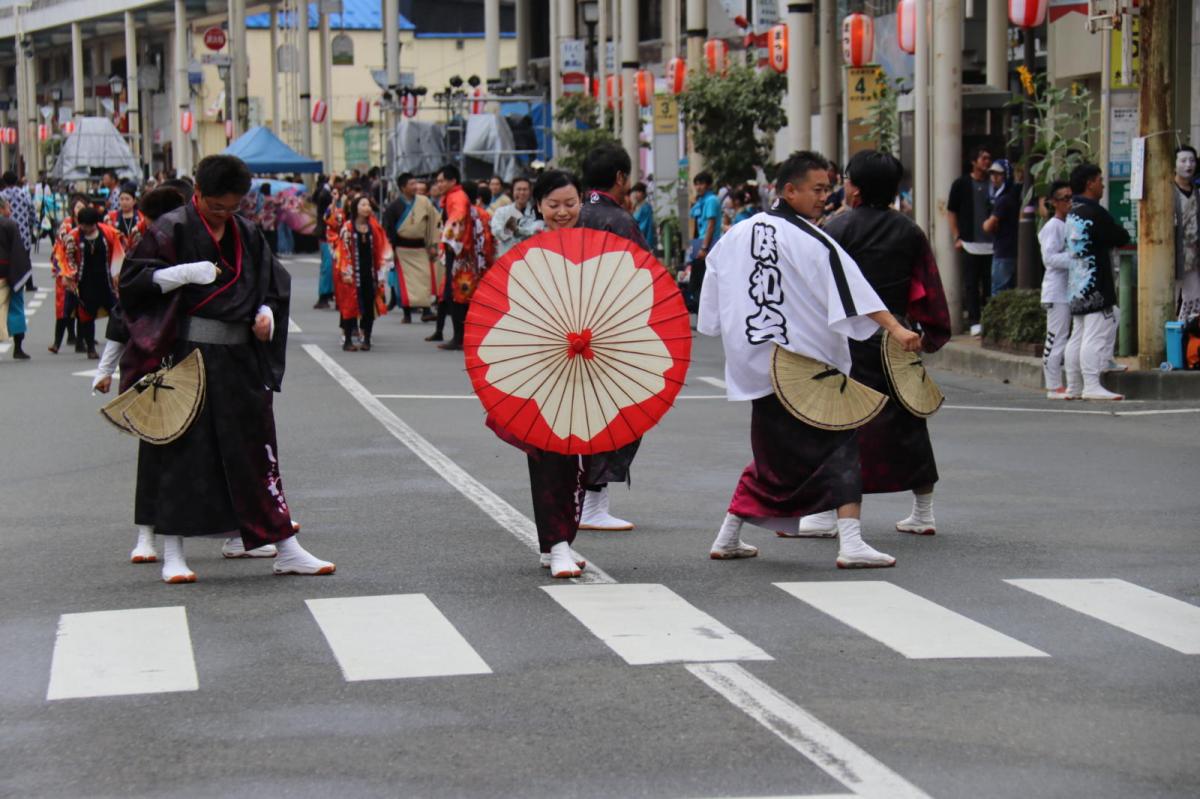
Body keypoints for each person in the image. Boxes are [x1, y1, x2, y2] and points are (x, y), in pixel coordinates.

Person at [698, 151, 921, 569]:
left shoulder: (736, 234)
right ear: (789, 190)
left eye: (827, 189)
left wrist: (723, 331)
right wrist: (896, 328)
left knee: (773, 457)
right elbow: (854, 293)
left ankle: (727, 535)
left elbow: (712, 293)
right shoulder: (813, 240)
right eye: (817, 189)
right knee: (841, 441)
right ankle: (851, 542)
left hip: (756, 365)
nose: (824, 197)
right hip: (804, 365)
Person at [119, 154, 334, 583]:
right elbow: (133, 284)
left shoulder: (247, 232)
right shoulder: (171, 229)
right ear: (198, 193)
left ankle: (285, 548)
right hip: (186, 355)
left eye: (232, 207)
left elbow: (272, 284)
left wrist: (266, 314)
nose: (223, 214)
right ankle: (173, 553)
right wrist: (179, 274)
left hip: (239, 357)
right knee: (181, 453)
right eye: (216, 206)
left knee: (257, 450)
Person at [794, 150, 951, 539]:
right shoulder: (910, 230)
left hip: (848, 339)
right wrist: (930, 334)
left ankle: (825, 514)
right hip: (898, 339)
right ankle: (924, 512)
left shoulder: (838, 228)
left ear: (856, 189)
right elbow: (928, 285)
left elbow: (816, 286)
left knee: (840, 425)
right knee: (909, 423)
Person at [484, 169, 592, 578]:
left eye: (570, 203)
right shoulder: (528, 252)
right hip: (542, 367)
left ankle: (557, 543)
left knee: (579, 454)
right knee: (548, 455)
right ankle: (557, 541)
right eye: (553, 205)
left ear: (581, 201)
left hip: (585, 366)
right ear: (539, 206)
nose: (563, 212)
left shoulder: (596, 247)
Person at [577, 143, 651, 531]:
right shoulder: (619, 221)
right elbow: (643, 277)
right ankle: (593, 502)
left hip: (565, 329)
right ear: (620, 177)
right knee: (614, 414)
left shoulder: (569, 213)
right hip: (607, 332)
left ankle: (573, 500)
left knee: (571, 414)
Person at [1063, 163, 1130, 401]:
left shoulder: (1072, 211)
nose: (1103, 185)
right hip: (1096, 283)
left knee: (1078, 334)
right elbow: (1120, 236)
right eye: (1100, 180)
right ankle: (1091, 384)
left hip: (1076, 284)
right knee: (1094, 334)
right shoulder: (1094, 212)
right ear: (1089, 183)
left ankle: (1073, 386)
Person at [432, 164, 492, 351]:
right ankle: (459, 336)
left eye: (442, 180)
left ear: (453, 181)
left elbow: (456, 219)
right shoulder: (455, 196)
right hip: (461, 252)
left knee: (457, 295)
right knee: (456, 295)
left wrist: (448, 241)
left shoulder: (456, 197)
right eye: (438, 181)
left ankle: (459, 337)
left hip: (460, 253)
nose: (439, 184)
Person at [63, 206, 124, 359]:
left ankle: (117, 344)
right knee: (86, 316)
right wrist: (69, 277)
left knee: (117, 312)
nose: (85, 228)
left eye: (88, 225)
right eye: (82, 225)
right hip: (85, 282)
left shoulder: (108, 233)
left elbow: (120, 249)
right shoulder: (73, 237)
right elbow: (67, 259)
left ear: (94, 223)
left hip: (106, 281)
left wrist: (118, 274)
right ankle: (90, 347)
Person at [382, 173, 441, 323]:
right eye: (411, 184)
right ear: (403, 188)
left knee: (424, 279)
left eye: (416, 183)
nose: (415, 187)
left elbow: (433, 222)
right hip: (402, 249)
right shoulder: (393, 207)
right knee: (405, 284)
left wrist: (432, 244)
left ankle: (426, 311)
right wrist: (391, 249)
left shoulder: (424, 202)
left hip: (421, 248)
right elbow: (388, 229)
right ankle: (407, 314)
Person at [947, 146, 994, 329]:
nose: (987, 162)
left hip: (991, 244)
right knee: (971, 283)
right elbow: (952, 211)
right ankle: (974, 321)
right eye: (983, 158)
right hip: (969, 243)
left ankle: (988, 319)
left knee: (990, 283)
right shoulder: (961, 184)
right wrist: (956, 236)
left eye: (988, 158)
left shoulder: (992, 184)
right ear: (974, 162)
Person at [334, 194, 389, 351]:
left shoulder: (374, 227)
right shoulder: (347, 227)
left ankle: (367, 339)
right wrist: (346, 271)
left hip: (369, 273)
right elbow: (342, 251)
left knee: (369, 305)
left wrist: (381, 270)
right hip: (351, 274)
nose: (367, 208)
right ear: (355, 208)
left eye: (368, 205)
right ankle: (348, 340)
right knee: (349, 306)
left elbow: (381, 249)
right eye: (363, 205)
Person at [1039, 180, 1075, 399]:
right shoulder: (1053, 226)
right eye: (1065, 198)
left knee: (1063, 336)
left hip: (1067, 289)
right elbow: (1049, 258)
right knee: (1056, 337)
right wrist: (1075, 258)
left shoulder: (1067, 224)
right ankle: (1053, 385)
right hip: (1055, 290)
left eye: (1071, 197)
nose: (1070, 202)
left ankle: (1060, 383)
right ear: (1054, 202)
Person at [48, 194, 89, 354]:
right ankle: (58, 342)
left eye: (82, 207)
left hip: (83, 271)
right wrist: (61, 270)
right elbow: (60, 247)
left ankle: (81, 341)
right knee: (64, 308)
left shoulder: (90, 225)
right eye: (77, 207)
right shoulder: (67, 225)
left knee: (82, 308)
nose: (79, 210)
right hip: (67, 270)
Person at [0, 195, 32, 360]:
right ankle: (18, 348)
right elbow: (17, 249)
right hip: (8, 270)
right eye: (8, 207)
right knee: (16, 308)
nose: (10, 210)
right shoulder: (10, 224)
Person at [982, 158, 1020, 295]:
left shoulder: (1004, 200)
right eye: (992, 174)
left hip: (1004, 251)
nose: (994, 178)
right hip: (1007, 249)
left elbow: (988, 226)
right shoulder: (1007, 197)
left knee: (999, 291)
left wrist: (985, 223)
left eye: (998, 174)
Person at [687, 171, 722, 312]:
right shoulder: (701, 201)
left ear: (708, 185)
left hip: (707, 244)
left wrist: (704, 247)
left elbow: (711, 225)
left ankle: (703, 310)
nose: (698, 187)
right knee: (697, 279)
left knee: (702, 280)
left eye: (701, 184)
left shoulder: (711, 200)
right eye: (696, 184)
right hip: (700, 242)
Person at [1174, 145, 1199, 320]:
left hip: (1194, 257)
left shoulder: (1197, 191)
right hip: (1173, 256)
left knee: (1194, 299)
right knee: (1170, 299)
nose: (1188, 165)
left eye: (1191, 160)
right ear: (1174, 164)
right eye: (1183, 161)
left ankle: (1188, 333)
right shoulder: (1167, 190)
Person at [490, 176, 542, 258]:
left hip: (530, 258)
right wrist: (511, 228)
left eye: (525, 189)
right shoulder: (501, 212)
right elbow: (496, 232)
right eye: (518, 189)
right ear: (512, 191)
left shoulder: (537, 213)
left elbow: (536, 232)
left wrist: (517, 230)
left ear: (530, 192)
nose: (522, 193)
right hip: (507, 258)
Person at [312, 174, 340, 308]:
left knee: (336, 267)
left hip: (337, 236)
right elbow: (322, 198)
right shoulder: (324, 195)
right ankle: (324, 295)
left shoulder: (333, 196)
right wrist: (330, 184)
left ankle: (331, 293)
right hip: (326, 235)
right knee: (328, 267)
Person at [105, 183, 147, 252]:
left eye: (127, 199)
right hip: (118, 252)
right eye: (121, 199)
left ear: (134, 201)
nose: (124, 202)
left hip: (138, 252)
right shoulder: (110, 217)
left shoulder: (141, 216)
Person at [631, 182, 657, 252]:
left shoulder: (645, 207)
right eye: (635, 192)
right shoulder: (637, 206)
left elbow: (644, 226)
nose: (636, 194)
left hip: (644, 240)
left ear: (644, 194)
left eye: (639, 192)